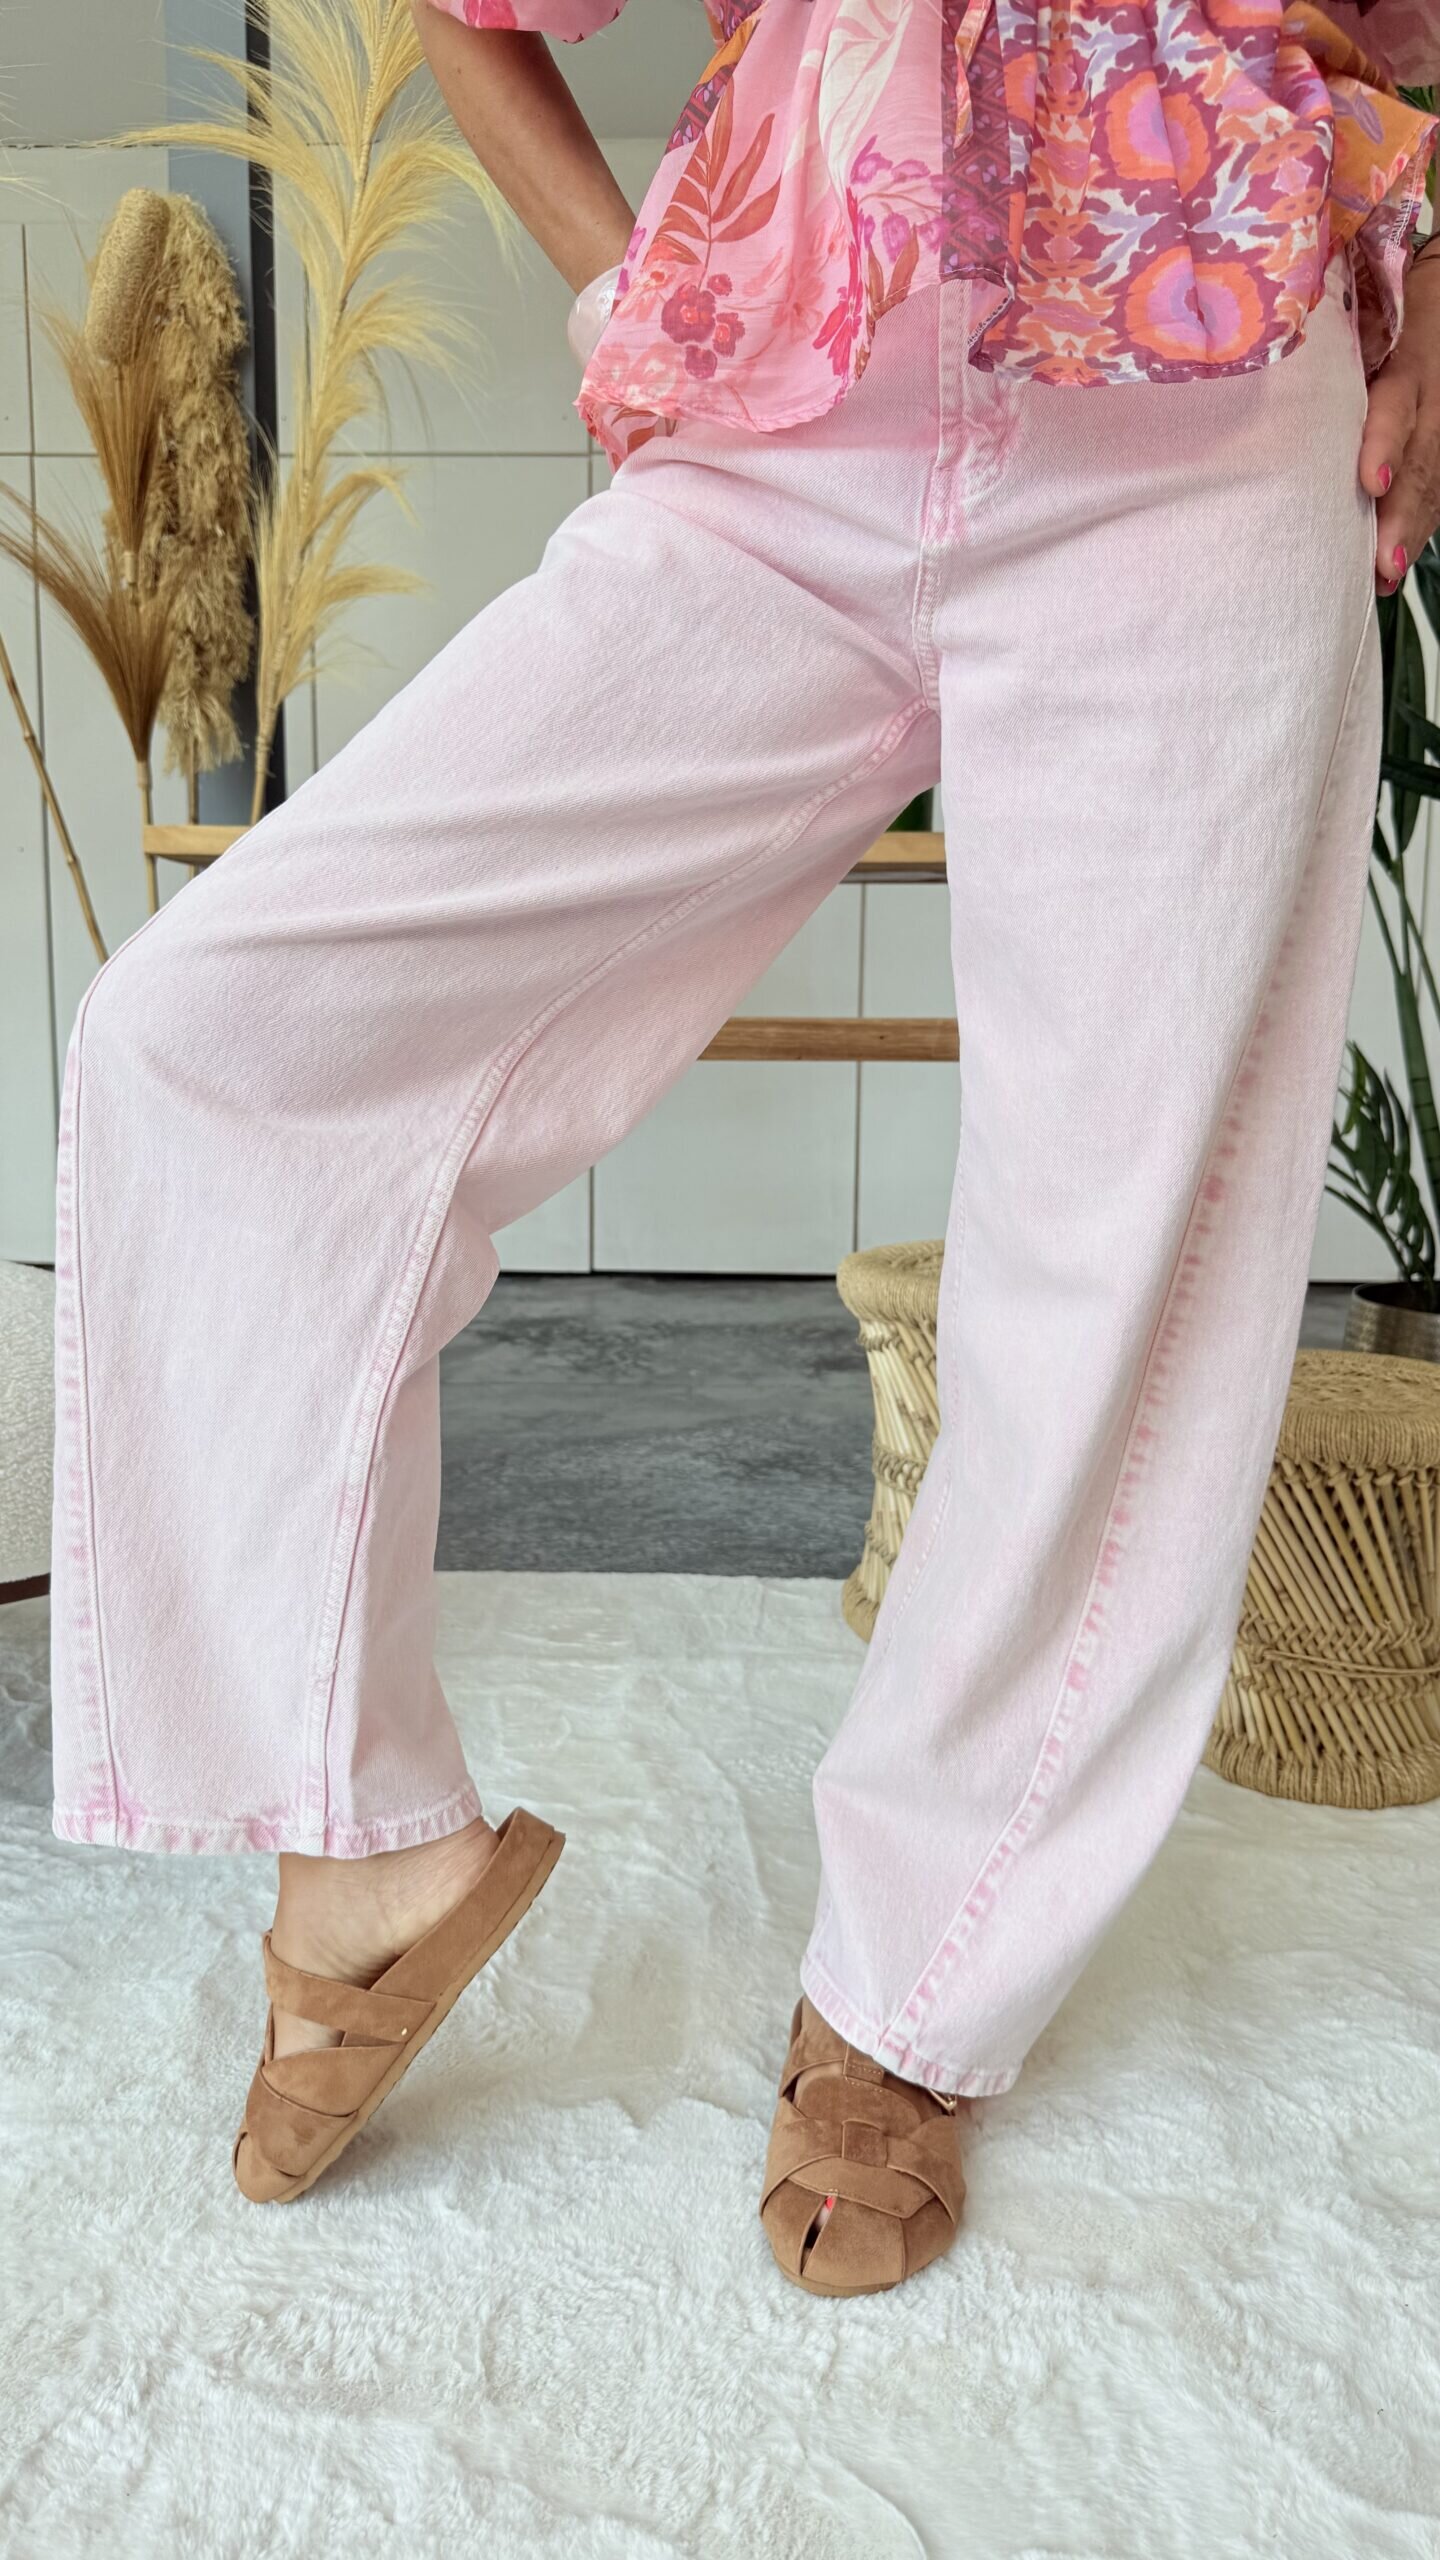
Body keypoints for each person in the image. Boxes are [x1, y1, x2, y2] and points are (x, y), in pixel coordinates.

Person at [48, 0, 1440, 2295]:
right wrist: (633, 287)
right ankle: (352, 1822)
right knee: (215, 1036)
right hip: (791, 404)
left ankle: (922, 1977)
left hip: (1201, 411)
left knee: (1113, 1245)